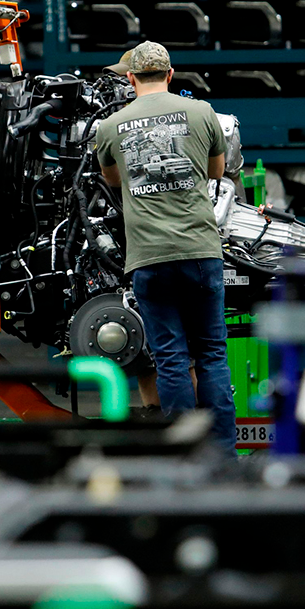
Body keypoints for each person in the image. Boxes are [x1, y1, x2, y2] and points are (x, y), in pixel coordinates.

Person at [94, 41, 235, 448]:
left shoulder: (110, 126)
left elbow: (114, 181)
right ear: (171, 75)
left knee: (171, 360)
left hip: (149, 259)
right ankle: (224, 457)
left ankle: (183, 457)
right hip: (200, 252)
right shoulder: (202, 112)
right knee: (212, 356)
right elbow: (216, 171)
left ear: (132, 78)